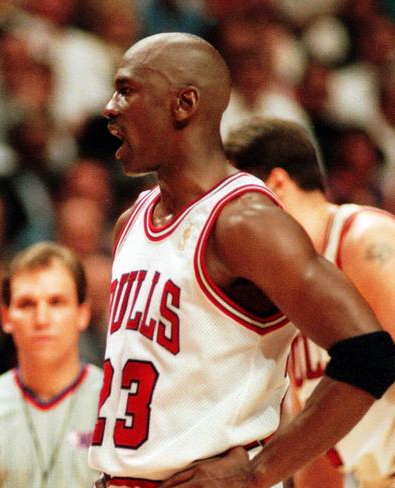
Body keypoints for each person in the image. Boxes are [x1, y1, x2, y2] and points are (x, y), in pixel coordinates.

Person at [86, 32, 395, 488]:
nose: (110, 107)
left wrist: (259, 472)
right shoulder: (130, 221)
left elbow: (368, 356)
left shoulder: (245, 222)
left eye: (127, 89)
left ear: (184, 104)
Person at [225, 117, 395, 488]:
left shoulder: (365, 241)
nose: (228, 226)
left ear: (278, 185)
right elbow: (318, 447)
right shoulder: (283, 287)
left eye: (234, 205)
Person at [0, 241, 103, 487]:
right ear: (6, 316)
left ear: (83, 312)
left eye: (56, 302)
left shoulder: (115, 406)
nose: (41, 319)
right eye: (27, 304)